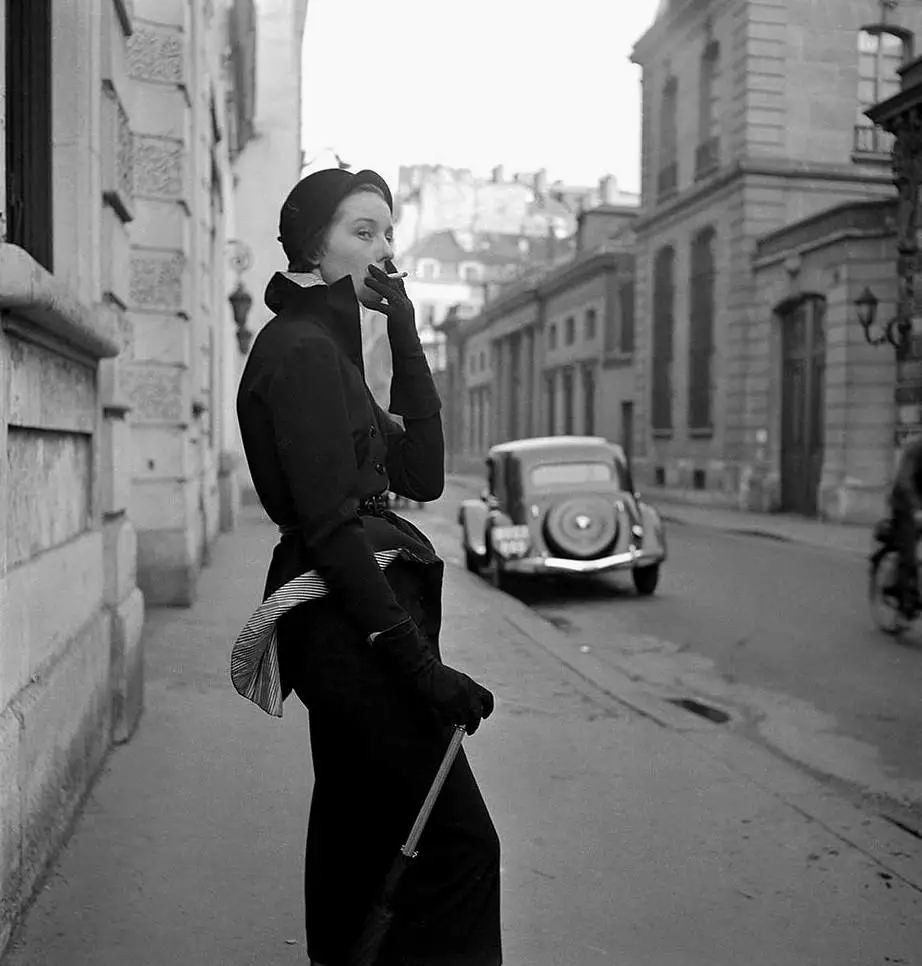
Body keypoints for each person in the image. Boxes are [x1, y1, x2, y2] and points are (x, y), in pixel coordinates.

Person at [233, 168, 502, 966]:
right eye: (362, 231)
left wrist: (409, 332)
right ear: (313, 244)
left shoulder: (333, 356)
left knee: (360, 836)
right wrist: (421, 671)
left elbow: (422, 472)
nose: (384, 248)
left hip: (358, 629)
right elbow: (330, 527)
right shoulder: (302, 351)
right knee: (459, 847)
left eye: (389, 231)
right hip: (353, 633)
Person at [888, 435, 922, 617]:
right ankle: (904, 603)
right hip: (904, 506)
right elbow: (905, 481)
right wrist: (916, 509)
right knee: (908, 554)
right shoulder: (914, 449)